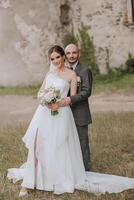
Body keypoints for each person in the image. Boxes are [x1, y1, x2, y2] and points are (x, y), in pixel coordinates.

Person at [7, 45, 134, 197]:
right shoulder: (49, 74)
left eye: (58, 57)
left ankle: (57, 177)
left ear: (63, 57)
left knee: (59, 145)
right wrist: (46, 100)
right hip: (44, 113)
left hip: (62, 113)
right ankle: (27, 183)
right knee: (37, 144)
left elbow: (72, 98)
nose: (55, 61)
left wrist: (59, 102)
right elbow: (40, 92)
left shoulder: (72, 75)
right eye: (52, 59)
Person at [60, 43, 92, 171]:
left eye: (74, 52)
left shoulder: (84, 70)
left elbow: (86, 91)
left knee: (82, 142)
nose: (71, 56)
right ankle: (71, 169)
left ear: (79, 53)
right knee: (66, 141)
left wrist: (70, 99)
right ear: (65, 55)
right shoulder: (62, 70)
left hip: (80, 112)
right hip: (64, 112)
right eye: (68, 53)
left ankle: (85, 169)